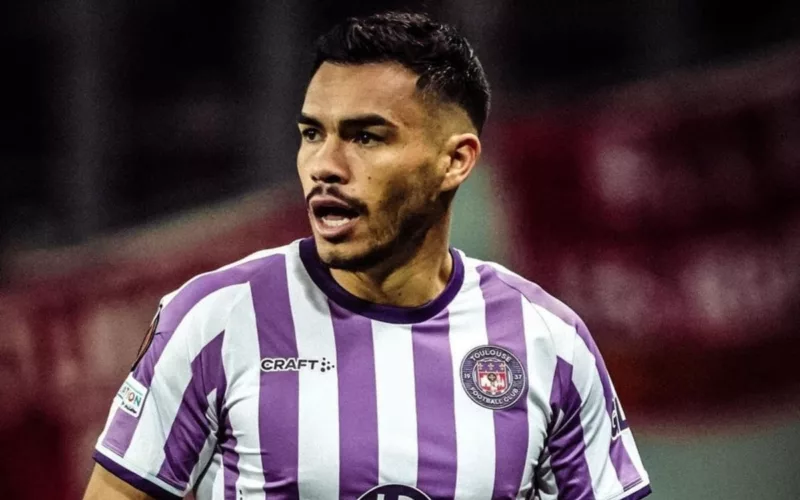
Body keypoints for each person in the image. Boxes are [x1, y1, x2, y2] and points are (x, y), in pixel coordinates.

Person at [83, 11, 651, 500]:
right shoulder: (215, 318)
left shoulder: (549, 342)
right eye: (312, 133)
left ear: (455, 161)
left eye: (366, 137)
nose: (325, 164)